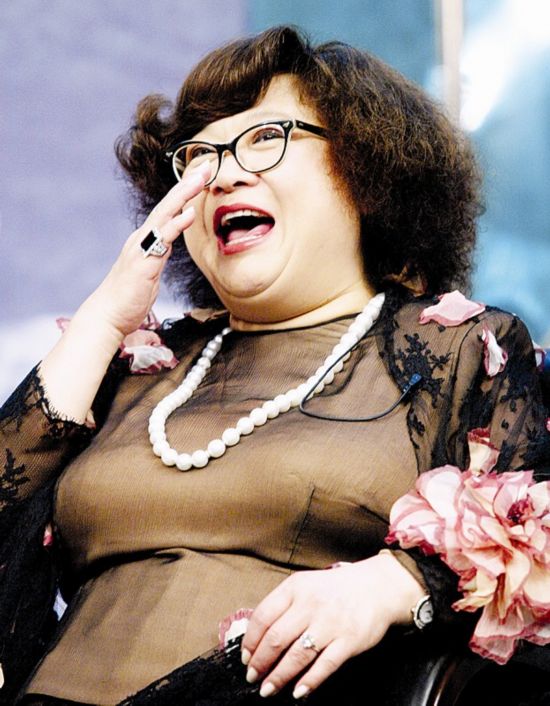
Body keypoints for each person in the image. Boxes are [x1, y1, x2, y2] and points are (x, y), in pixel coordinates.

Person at [0, 25, 548, 706]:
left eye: (266, 138)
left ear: (364, 171)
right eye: (199, 157)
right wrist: (104, 317)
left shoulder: (459, 349)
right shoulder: (139, 365)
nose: (224, 174)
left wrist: (397, 583)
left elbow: (533, 540)